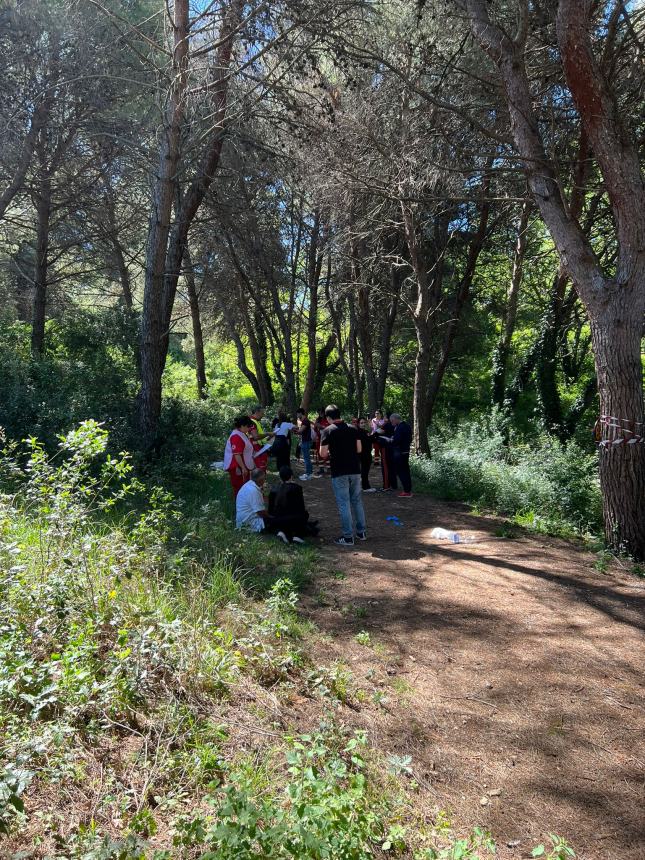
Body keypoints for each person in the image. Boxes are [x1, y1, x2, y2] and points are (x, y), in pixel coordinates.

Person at [319, 405, 367, 546]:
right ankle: (361, 532)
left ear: (328, 418)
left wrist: (332, 452)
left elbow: (322, 454)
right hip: (355, 469)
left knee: (344, 503)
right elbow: (359, 449)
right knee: (357, 501)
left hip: (339, 471)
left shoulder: (327, 431)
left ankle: (347, 537)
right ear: (340, 414)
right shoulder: (353, 429)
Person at [268, 466, 319, 543]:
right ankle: (298, 535)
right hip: (293, 519)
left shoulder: (274, 489)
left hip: (277, 519)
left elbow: (270, 509)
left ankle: (283, 532)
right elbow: (301, 508)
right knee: (304, 515)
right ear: (291, 476)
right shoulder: (297, 488)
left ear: (280, 477)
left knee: (289, 518)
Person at [224, 415, 255, 498]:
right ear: (242, 426)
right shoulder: (236, 436)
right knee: (239, 488)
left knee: (244, 487)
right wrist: (243, 467)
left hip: (241, 466)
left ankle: (245, 505)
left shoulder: (241, 433)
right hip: (237, 467)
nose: (249, 429)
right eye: (248, 427)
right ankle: (240, 507)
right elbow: (237, 454)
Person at [386, 413, 413, 497]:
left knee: (401, 471)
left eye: (392, 421)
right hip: (406, 451)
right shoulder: (407, 426)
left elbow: (397, 440)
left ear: (396, 419)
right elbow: (409, 438)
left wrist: (390, 440)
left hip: (400, 452)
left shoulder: (400, 427)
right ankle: (408, 489)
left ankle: (406, 491)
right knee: (406, 471)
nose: (392, 423)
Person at [375, 413, 397, 491]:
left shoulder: (386, 425)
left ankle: (386, 486)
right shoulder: (395, 426)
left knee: (385, 466)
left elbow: (377, 432)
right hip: (392, 448)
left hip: (385, 448)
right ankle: (393, 485)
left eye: (384, 417)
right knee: (391, 466)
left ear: (388, 418)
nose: (383, 419)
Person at [357, 417, 376, 492]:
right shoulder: (359, 432)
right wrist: (376, 433)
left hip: (366, 453)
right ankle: (366, 487)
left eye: (364, 422)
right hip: (363, 454)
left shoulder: (365, 431)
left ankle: (364, 486)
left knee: (364, 470)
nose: (363, 424)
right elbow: (368, 440)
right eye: (361, 423)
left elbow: (371, 439)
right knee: (364, 470)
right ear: (358, 424)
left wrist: (374, 434)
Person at [296, 408, 314, 480]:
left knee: (306, 459)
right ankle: (309, 473)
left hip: (306, 442)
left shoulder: (305, 421)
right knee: (307, 458)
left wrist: (294, 430)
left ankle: (308, 474)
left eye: (297, 414)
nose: (297, 415)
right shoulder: (305, 421)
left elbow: (300, 431)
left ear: (301, 413)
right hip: (305, 441)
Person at [314, 408, 330, 476]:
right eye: (319, 413)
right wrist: (317, 426)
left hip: (326, 440)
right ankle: (321, 469)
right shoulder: (318, 420)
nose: (320, 414)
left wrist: (323, 427)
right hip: (319, 439)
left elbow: (330, 428)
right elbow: (315, 429)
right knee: (319, 453)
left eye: (321, 413)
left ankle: (329, 469)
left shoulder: (328, 419)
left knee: (328, 454)